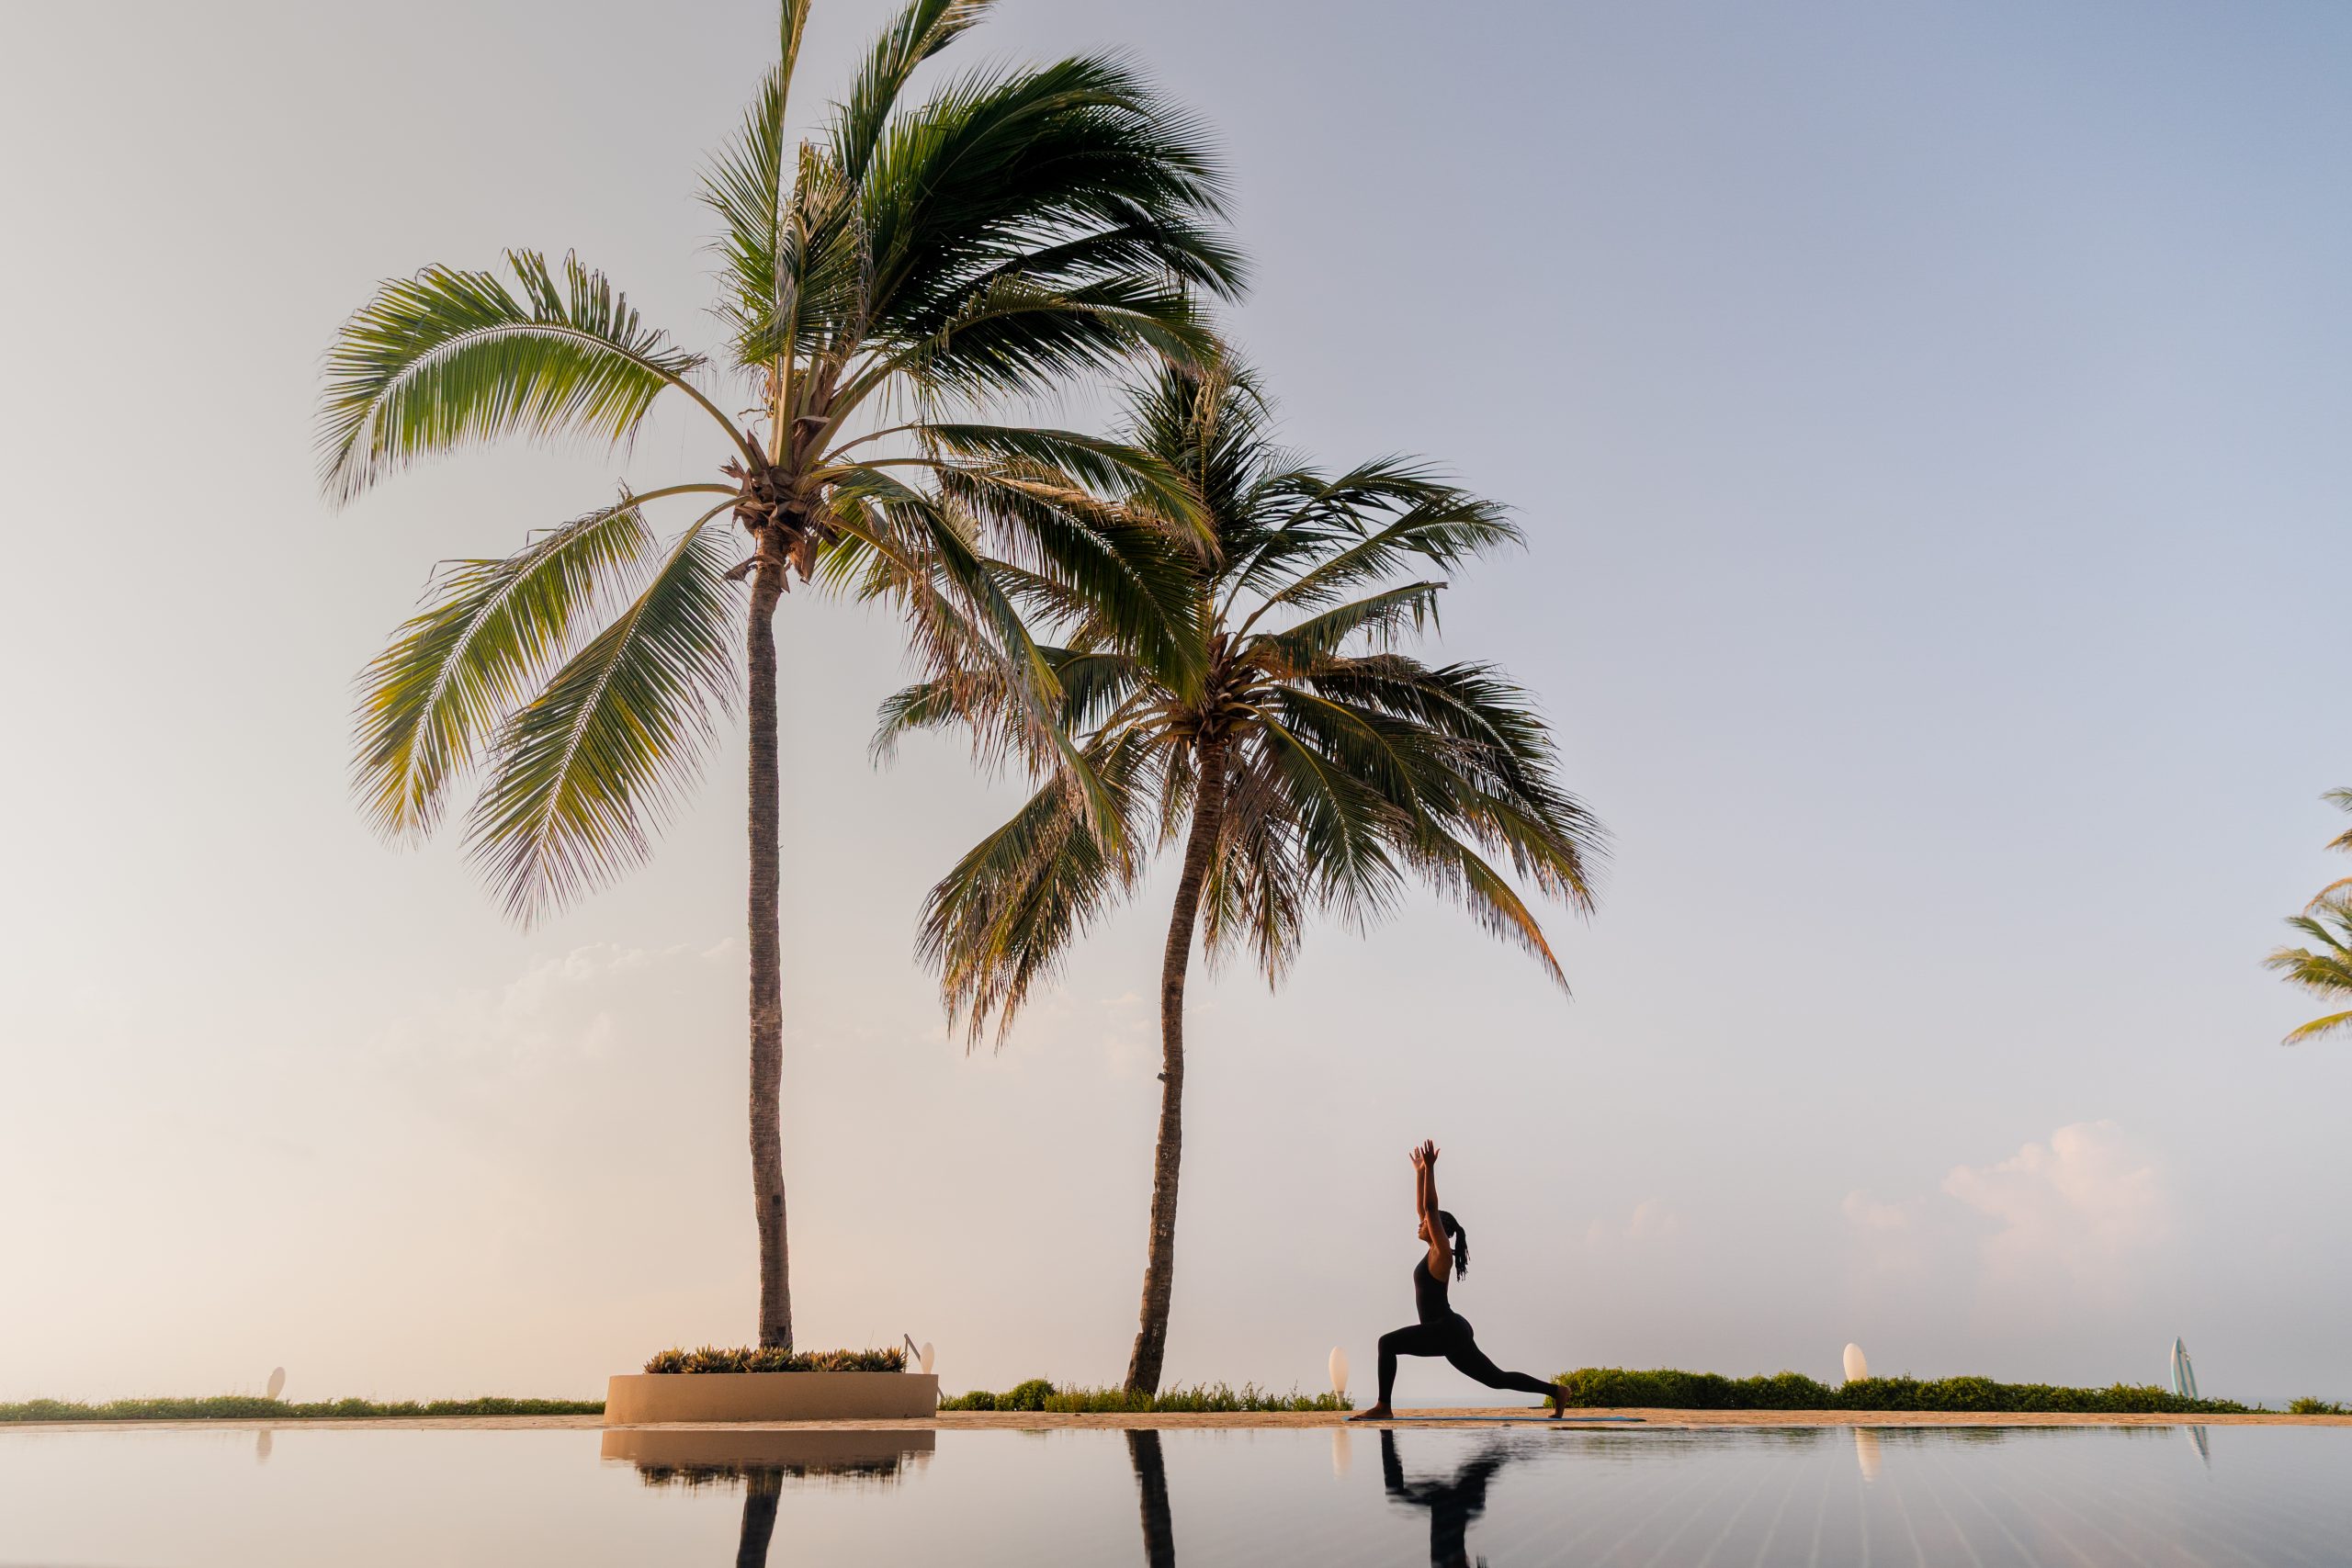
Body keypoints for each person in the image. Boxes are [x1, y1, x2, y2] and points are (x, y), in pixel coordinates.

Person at [1351, 1140, 1570, 1421]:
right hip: (1451, 1329)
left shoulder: (1442, 1254)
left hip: (1446, 1329)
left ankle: (1384, 1406)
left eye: (1426, 1223)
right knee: (1495, 1378)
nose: (1419, 1224)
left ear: (1437, 1229)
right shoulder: (1433, 1252)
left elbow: (1430, 1208)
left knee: (1387, 1344)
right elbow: (1424, 1210)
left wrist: (1430, 1169)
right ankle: (1557, 1391)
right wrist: (1419, 1173)